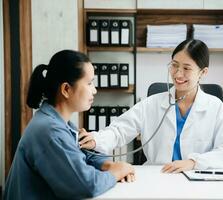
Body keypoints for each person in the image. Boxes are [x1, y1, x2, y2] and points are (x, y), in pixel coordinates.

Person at [79, 39, 223, 173]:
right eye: (174, 65)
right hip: (157, 177)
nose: (178, 74)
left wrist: (193, 162)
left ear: (203, 73)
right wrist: (96, 140)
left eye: (186, 68)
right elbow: (119, 130)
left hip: (198, 181)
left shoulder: (215, 108)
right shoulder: (151, 104)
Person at [4, 50, 135, 199]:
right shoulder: (51, 131)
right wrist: (118, 172)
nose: (95, 90)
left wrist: (110, 165)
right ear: (66, 89)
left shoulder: (59, 122)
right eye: (89, 83)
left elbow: (85, 155)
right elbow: (86, 185)